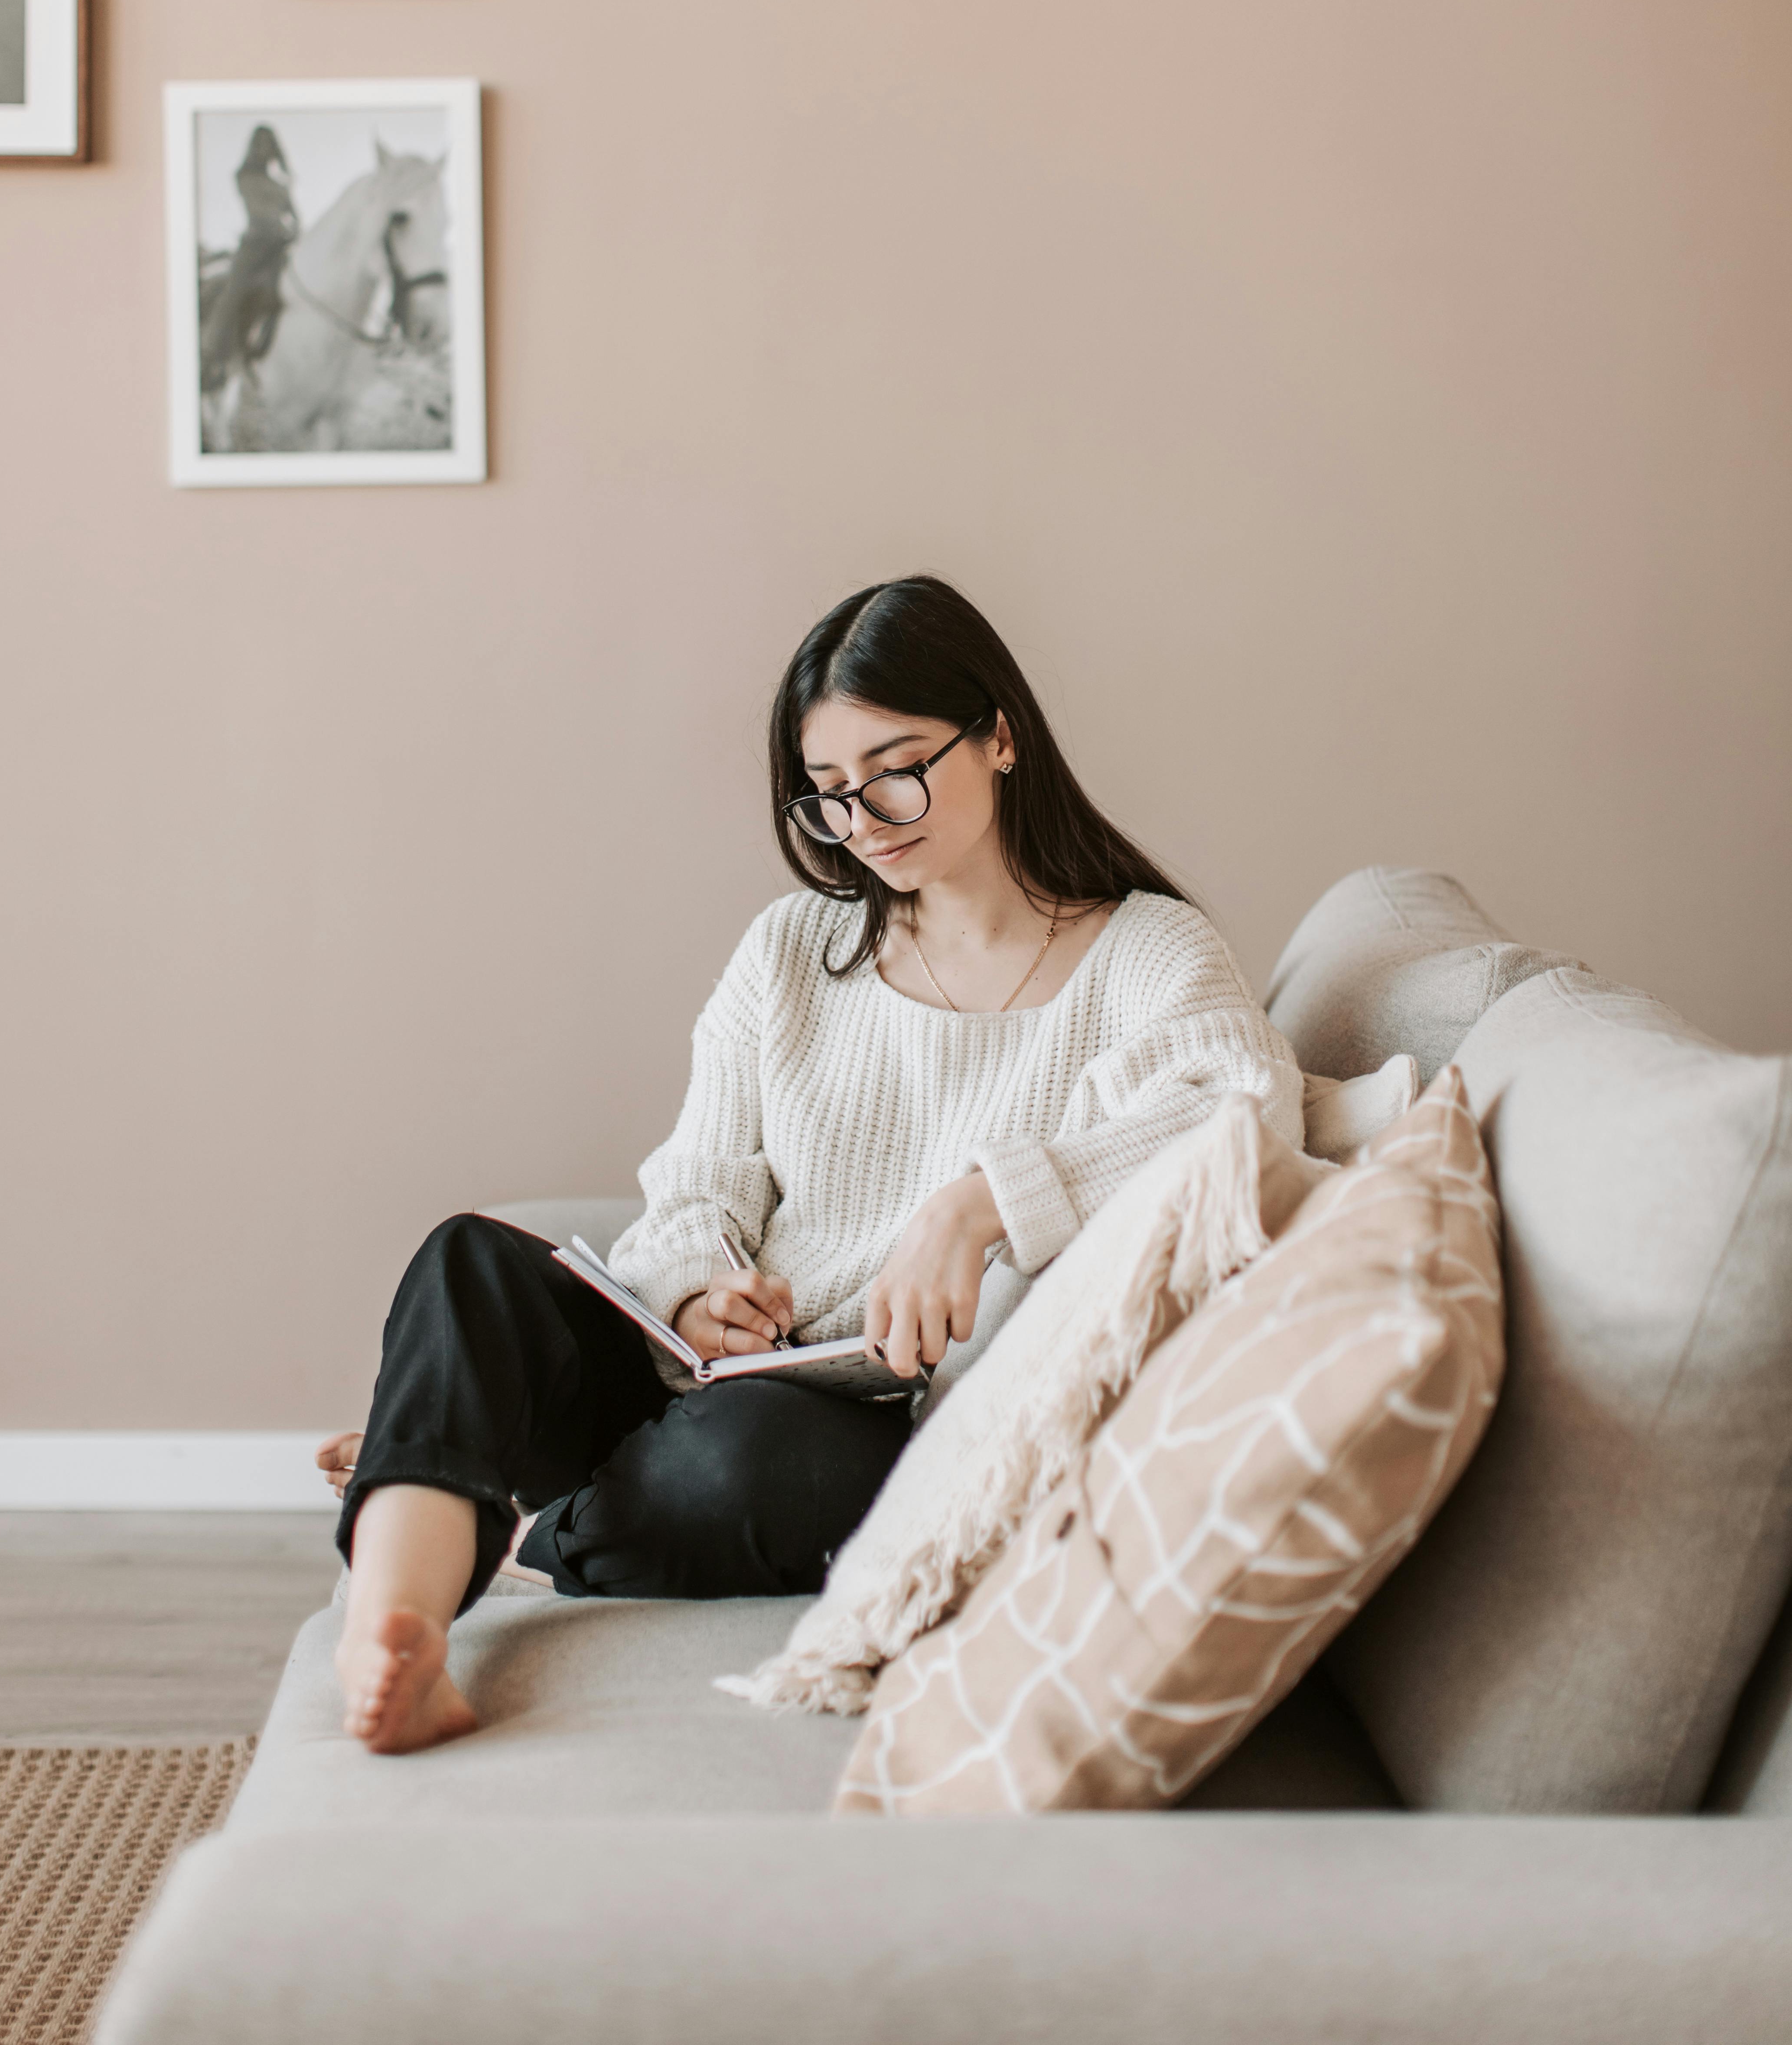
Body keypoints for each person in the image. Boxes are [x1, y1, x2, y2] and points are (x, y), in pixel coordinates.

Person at [319, 575, 1303, 1752]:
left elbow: (1245, 1120)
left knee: (741, 1463)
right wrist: (697, 1291)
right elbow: (695, 1182)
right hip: (698, 1380)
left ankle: (463, 1487)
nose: (866, 821)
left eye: (895, 768)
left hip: (875, 1424)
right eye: (831, 794)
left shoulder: (1142, 951)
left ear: (998, 735)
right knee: (469, 1261)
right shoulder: (794, 950)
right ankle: (394, 1630)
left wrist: (981, 1207)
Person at [198, 127, 300, 392]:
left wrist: (293, 229)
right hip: (256, 245)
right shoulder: (245, 177)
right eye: (261, 145)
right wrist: (282, 223)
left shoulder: (281, 184)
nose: (264, 151)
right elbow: (260, 212)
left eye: (269, 145)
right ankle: (212, 358)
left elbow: (295, 218)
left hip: (281, 245)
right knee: (233, 295)